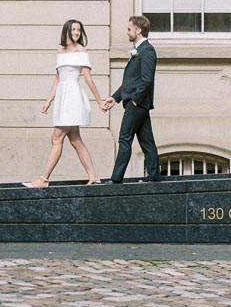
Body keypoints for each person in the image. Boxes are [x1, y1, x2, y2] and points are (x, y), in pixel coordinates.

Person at [24, 19, 108, 187]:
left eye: (79, 30)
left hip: (73, 97)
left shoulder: (81, 50)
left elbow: (88, 78)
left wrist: (99, 101)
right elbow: (58, 78)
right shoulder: (60, 50)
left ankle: (43, 179)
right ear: (67, 31)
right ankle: (94, 177)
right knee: (75, 139)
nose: (76, 32)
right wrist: (49, 101)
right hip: (63, 97)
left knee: (56, 137)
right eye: (74, 29)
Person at [102, 15, 160, 183]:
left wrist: (135, 99)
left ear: (138, 30)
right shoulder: (139, 50)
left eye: (129, 29)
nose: (127, 32)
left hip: (137, 104)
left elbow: (147, 79)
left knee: (124, 138)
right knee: (147, 142)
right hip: (138, 103)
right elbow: (132, 81)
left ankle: (116, 179)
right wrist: (115, 98)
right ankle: (155, 179)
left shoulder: (147, 50)